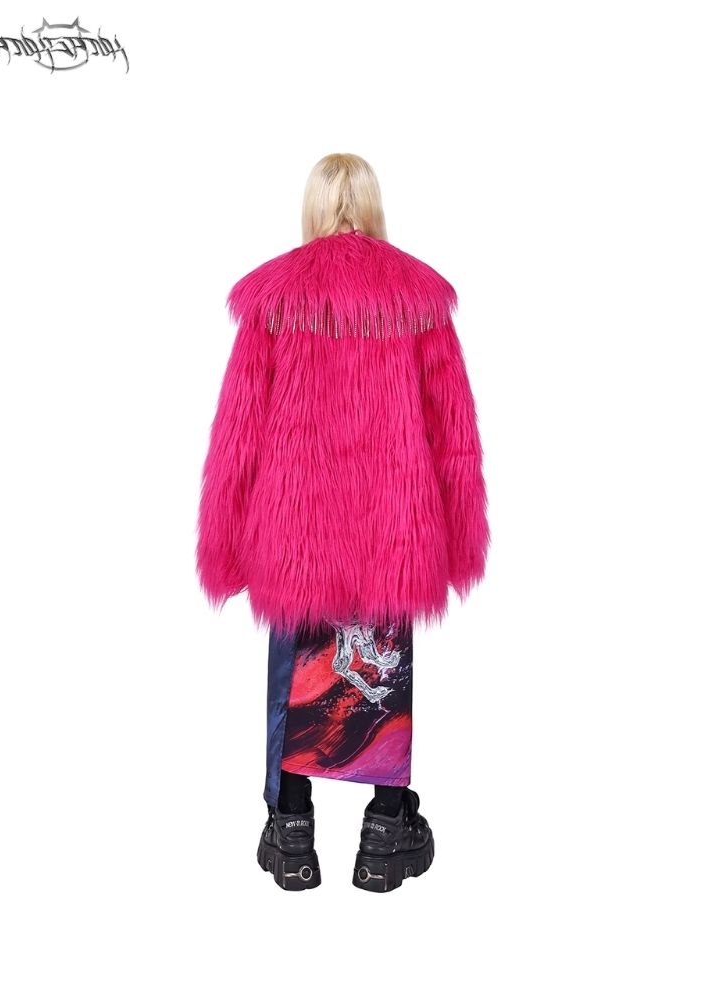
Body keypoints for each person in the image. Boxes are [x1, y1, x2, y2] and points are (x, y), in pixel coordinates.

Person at [196, 153, 489, 892]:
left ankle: (292, 832)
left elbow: (238, 433)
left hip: (296, 531)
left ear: (314, 207)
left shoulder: (277, 299)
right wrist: (461, 542)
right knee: (383, 670)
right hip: (394, 528)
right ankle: (385, 837)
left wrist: (222, 545)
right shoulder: (417, 298)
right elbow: (452, 433)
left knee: (297, 670)